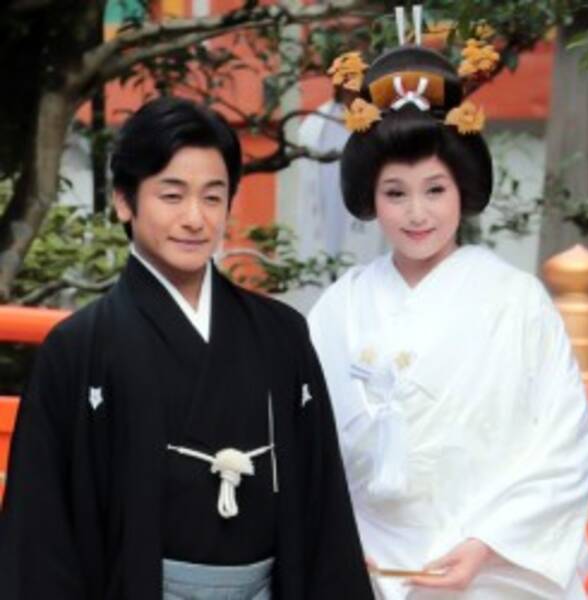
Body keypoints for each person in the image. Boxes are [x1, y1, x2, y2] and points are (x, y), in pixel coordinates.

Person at [0, 97, 374, 600]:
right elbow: (42, 533)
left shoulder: (281, 335)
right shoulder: (77, 350)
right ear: (125, 201)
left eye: (212, 197)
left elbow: (322, 508)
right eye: (172, 196)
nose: (195, 218)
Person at [308, 42, 588, 599]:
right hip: (367, 565)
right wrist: (339, 541)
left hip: (493, 569)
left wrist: (486, 545)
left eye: (435, 190)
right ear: (371, 197)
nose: (417, 213)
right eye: (395, 193)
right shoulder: (338, 309)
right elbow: (306, 445)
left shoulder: (516, 301)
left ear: (462, 189)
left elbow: (565, 443)